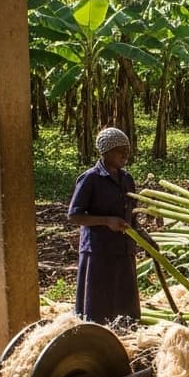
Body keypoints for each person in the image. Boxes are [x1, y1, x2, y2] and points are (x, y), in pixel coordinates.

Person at [67, 127, 141, 325]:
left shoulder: (127, 179)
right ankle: (97, 334)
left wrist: (145, 239)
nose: (125, 155)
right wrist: (107, 221)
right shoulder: (90, 179)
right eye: (119, 151)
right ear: (106, 153)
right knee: (98, 303)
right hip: (99, 251)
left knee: (125, 303)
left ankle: (125, 333)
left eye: (127, 151)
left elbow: (132, 215)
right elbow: (74, 215)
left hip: (123, 249)